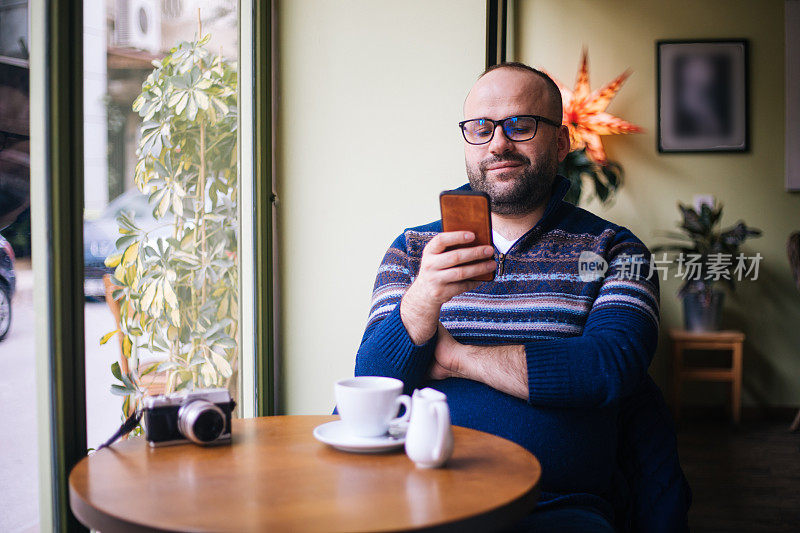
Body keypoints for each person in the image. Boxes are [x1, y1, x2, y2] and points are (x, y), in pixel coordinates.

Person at [354, 62, 689, 532]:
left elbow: (608, 368)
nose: (498, 143)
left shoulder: (616, 250)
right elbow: (371, 380)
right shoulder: (412, 250)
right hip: (409, 498)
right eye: (481, 127)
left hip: (552, 506)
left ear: (560, 141)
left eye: (520, 124)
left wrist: (454, 358)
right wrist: (424, 296)